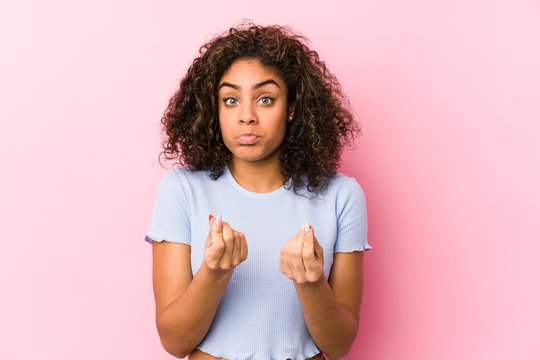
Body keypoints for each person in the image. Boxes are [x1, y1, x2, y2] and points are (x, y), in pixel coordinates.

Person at [143, 20, 373, 360]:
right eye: (231, 100)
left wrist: (311, 285)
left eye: (265, 99)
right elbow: (175, 342)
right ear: (214, 109)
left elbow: (338, 347)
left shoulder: (342, 196)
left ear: (292, 107)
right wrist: (215, 273)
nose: (247, 116)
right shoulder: (181, 190)